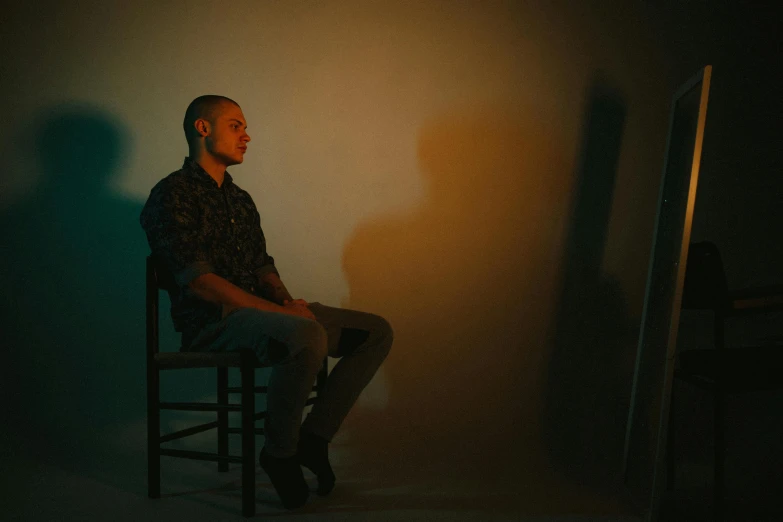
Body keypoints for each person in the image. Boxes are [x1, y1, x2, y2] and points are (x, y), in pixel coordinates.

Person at [140, 95, 393, 509]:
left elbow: (262, 267)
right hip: (212, 324)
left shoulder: (240, 199)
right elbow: (201, 284)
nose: (247, 136)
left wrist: (288, 303)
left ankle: (313, 440)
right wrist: (283, 315)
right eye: (236, 126)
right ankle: (279, 454)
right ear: (203, 128)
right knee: (306, 334)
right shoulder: (171, 194)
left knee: (375, 332)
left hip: (266, 321)